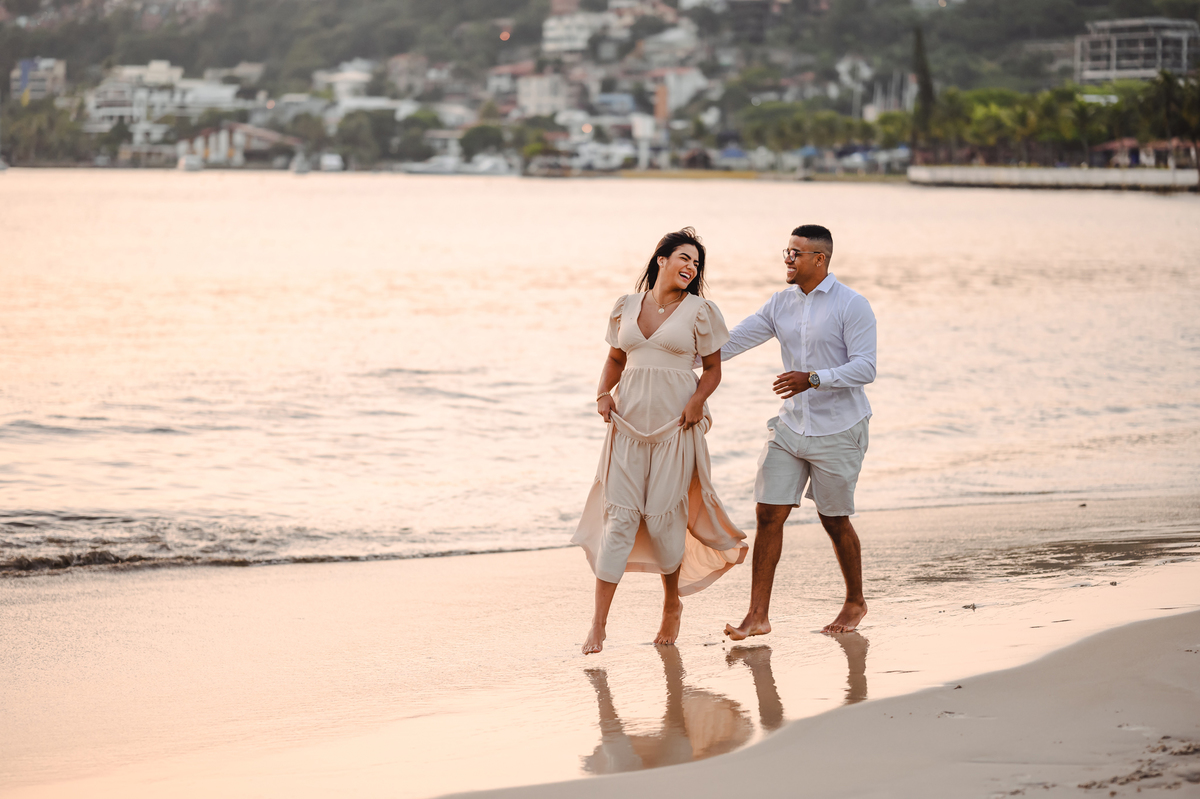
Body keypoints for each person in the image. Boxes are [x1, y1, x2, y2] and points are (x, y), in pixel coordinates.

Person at [573, 227, 748, 655]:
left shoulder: (701, 311)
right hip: (627, 427)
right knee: (620, 521)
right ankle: (598, 624)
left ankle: (671, 604)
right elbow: (616, 358)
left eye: (696, 263)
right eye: (683, 258)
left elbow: (712, 370)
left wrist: (697, 402)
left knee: (666, 518)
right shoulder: (625, 307)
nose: (690, 267)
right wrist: (602, 395)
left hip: (676, 428)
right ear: (661, 260)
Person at [720, 224, 877, 638]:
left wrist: (813, 378)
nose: (787, 259)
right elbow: (732, 342)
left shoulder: (852, 305)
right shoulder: (780, 304)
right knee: (768, 512)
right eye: (786, 252)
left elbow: (866, 367)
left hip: (840, 428)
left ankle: (855, 601)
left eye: (796, 253)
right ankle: (757, 616)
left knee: (834, 519)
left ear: (819, 260)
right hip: (790, 426)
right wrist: (669, 356)